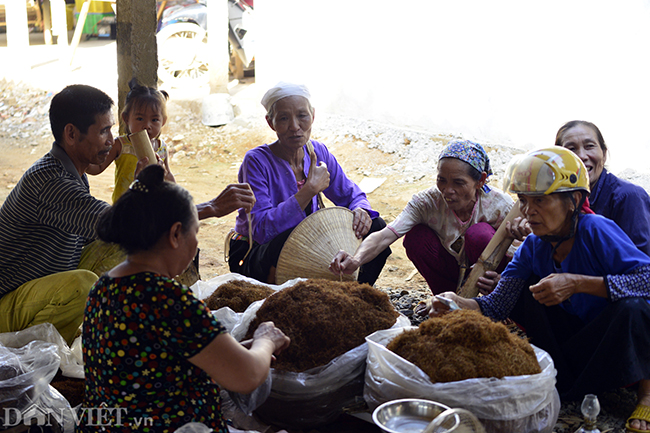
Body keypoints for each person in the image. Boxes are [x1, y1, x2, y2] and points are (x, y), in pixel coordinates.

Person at [0, 84, 255, 345]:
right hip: (9, 301)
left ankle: (137, 319)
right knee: (82, 285)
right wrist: (210, 207)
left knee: (131, 248)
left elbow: (118, 227)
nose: (112, 139)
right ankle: (42, 351)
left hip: (47, 284)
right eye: (103, 131)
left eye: (111, 129)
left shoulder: (74, 172)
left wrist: (144, 191)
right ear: (71, 133)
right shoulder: (50, 181)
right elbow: (121, 222)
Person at [429, 147, 650, 432]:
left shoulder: (596, 230)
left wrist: (578, 283)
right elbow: (497, 305)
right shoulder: (534, 245)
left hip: (611, 344)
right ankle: (567, 382)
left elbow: (646, 279)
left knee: (636, 308)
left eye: (541, 201)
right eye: (523, 200)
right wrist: (456, 303)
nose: (528, 211)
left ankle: (646, 393)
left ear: (574, 200)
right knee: (527, 292)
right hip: (571, 348)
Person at [78, 165, 291, 433]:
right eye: (196, 232)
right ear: (176, 234)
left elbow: (156, 360)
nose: (196, 244)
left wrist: (230, 351)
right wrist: (266, 341)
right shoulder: (168, 299)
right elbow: (247, 375)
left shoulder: (104, 286)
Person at [227, 82, 391, 285]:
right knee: (287, 239)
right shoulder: (256, 161)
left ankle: (355, 293)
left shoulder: (317, 152)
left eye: (302, 116)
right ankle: (281, 301)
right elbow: (262, 230)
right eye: (284, 118)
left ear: (312, 115)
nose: (295, 126)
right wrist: (309, 191)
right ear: (271, 123)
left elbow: (351, 194)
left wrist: (360, 210)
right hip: (257, 252)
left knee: (376, 227)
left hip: (304, 244)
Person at [330, 139, 514, 295]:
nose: (448, 191)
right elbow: (385, 235)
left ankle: (496, 302)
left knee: (479, 234)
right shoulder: (426, 202)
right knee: (416, 238)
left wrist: (504, 282)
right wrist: (356, 259)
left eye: (458, 183)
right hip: (454, 269)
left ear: (480, 180)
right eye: (441, 180)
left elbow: (523, 255)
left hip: (492, 279)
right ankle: (448, 300)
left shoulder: (500, 206)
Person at [555, 120, 650, 256]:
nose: (581, 156)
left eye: (589, 146)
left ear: (604, 154)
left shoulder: (628, 196)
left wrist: (575, 279)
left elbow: (643, 269)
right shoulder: (557, 200)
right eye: (571, 149)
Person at [87, 78, 176, 203]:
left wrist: (175, 192)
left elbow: (168, 175)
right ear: (126, 118)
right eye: (140, 119)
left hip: (151, 209)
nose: (147, 125)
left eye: (155, 120)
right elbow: (98, 167)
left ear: (163, 121)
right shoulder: (121, 145)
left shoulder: (162, 148)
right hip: (124, 208)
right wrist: (79, 160)